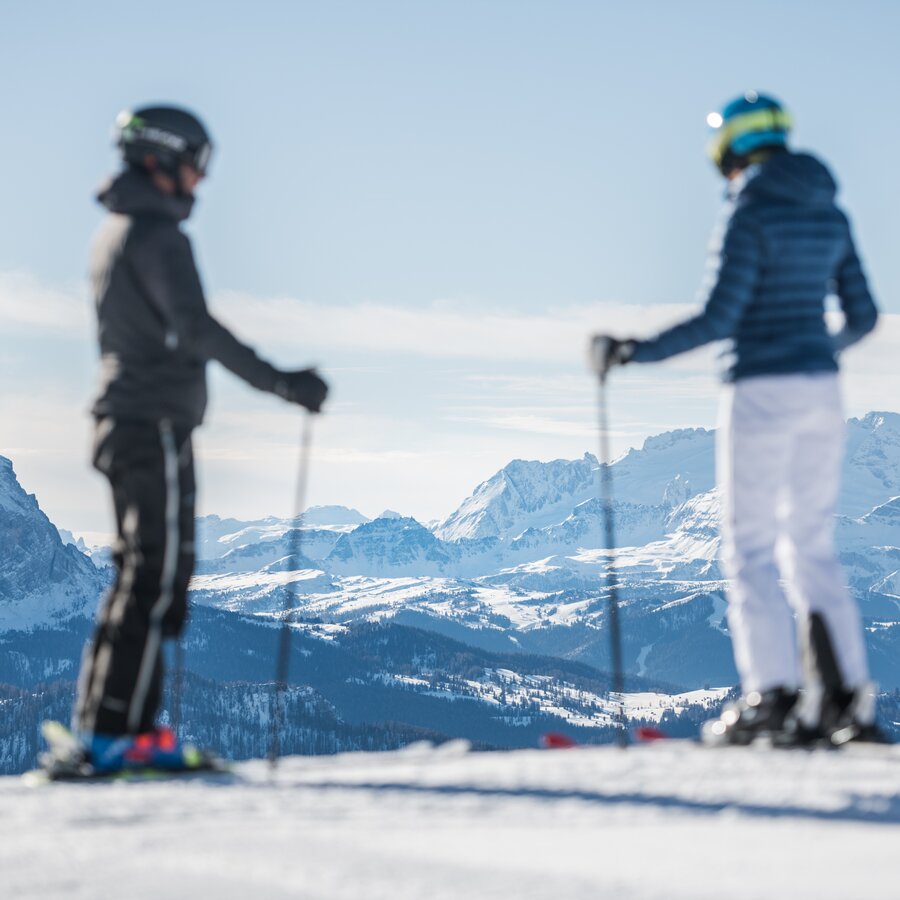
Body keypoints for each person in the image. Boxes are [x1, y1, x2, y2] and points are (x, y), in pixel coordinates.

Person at [590, 92, 881, 745]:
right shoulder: (830, 212)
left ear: (731, 149)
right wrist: (814, 350)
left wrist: (635, 350)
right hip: (822, 390)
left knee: (748, 545)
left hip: (759, 388)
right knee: (810, 543)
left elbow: (719, 317)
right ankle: (846, 706)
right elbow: (863, 316)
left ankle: (770, 701)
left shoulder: (748, 212)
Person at [72, 105, 328, 772]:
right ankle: (116, 738)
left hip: (129, 420)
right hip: (151, 423)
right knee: (156, 577)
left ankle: (109, 728)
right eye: (196, 163)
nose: (200, 180)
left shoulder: (119, 231)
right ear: (159, 158)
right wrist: (283, 383)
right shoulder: (157, 237)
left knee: (143, 574)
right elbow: (196, 327)